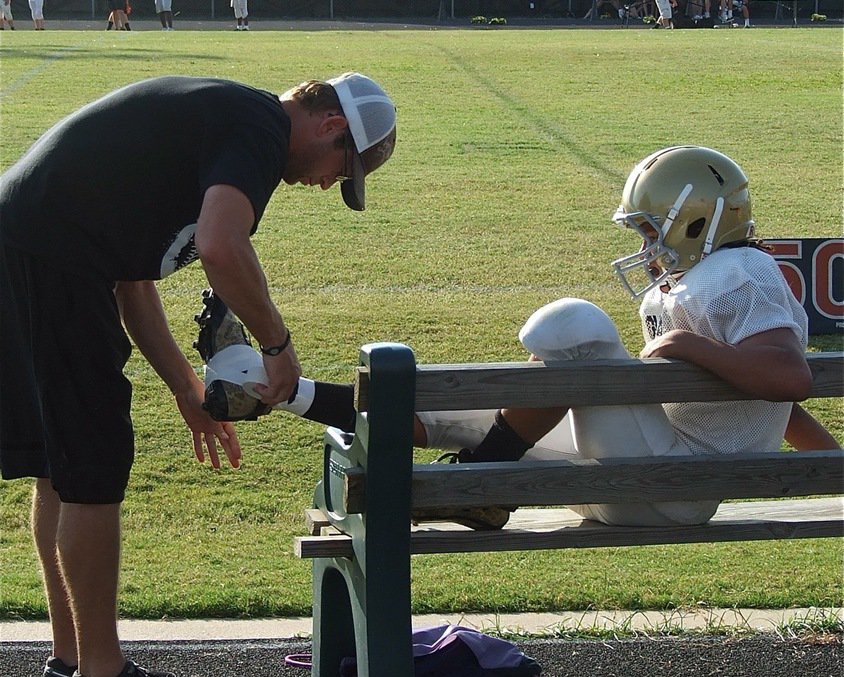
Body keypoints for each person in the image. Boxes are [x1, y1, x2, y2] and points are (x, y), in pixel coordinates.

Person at [0, 71, 397, 677]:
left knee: (61, 465)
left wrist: (186, 387)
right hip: (49, 258)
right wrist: (277, 344)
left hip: (29, 246)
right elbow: (219, 244)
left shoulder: (218, 120)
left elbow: (133, 278)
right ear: (331, 125)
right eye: (342, 168)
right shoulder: (260, 128)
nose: (328, 184)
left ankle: (73, 664)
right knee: (92, 470)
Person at [203, 147, 835, 532]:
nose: (643, 246)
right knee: (474, 414)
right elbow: (771, 400)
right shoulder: (698, 282)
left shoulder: (738, 270)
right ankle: (271, 391)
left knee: (577, 329)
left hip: (668, 484)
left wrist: (684, 348)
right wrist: (833, 468)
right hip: (650, 477)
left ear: (698, 221)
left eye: (650, 229)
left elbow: (787, 376)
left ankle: (483, 480)